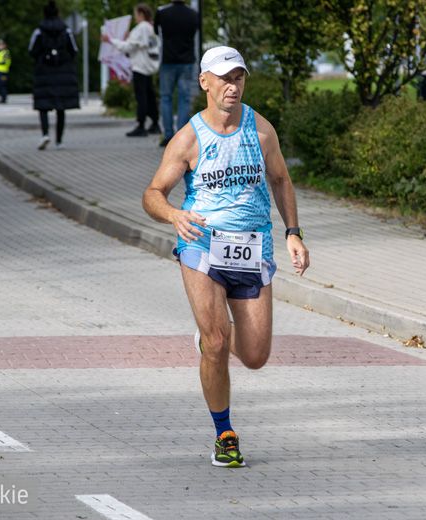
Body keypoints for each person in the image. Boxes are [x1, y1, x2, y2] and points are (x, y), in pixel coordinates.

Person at [142, 46, 310, 468]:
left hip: (252, 248)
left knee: (255, 356)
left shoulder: (262, 130)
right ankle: (224, 433)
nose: (232, 86)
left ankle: (207, 337)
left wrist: (293, 232)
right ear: (205, 82)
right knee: (219, 342)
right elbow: (152, 194)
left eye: (238, 78)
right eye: (224, 78)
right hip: (202, 244)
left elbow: (281, 179)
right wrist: (174, 215)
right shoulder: (189, 139)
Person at [102, 4, 160, 137]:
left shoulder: (141, 28)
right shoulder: (151, 27)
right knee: (150, 96)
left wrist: (110, 40)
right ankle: (155, 123)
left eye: (136, 14)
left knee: (142, 97)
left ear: (141, 14)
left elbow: (128, 47)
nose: (135, 17)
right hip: (149, 67)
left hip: (140, 67)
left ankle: (141, 125)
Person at [28, 1, 80, 150]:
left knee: (43, 106)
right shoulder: (66, 30)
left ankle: (45, 134)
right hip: (63, 74)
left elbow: (32, 51)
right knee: (60, 107)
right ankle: (59, 141)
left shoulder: (39, 31)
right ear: (58, 13)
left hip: (44, 73)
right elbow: (74, 50)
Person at [154, 0, 199, 147]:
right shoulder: (193, 14)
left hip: (168, 60)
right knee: (184, 99)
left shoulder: (162, 13)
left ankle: (168, 135)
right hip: (187, 61)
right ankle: (181, 136)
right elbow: (195, 31)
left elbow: (156, 31)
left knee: (166, 97)